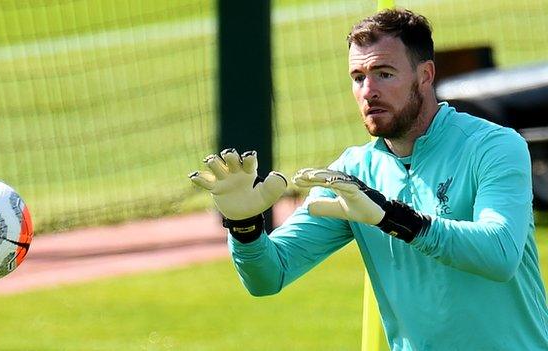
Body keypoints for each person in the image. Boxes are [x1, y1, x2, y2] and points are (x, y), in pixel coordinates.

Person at [189, 8, 548, 350]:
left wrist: (390, 216)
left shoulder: (494, 146)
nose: (368, 91)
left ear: (425, 76)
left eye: (384, 73)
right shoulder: (354, 173)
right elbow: (270, 276)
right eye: (358, 78)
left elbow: (499, 254)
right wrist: (244, 228)